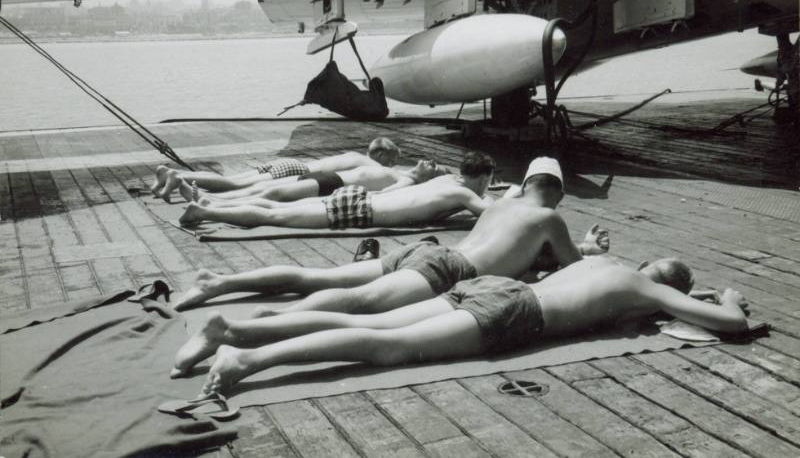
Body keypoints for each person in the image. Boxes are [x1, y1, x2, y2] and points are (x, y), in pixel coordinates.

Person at [171, 256, 750, 396]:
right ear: (669, 286)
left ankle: (238, 330)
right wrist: (729, 295)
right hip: (516, 313)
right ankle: (246, 360)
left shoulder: (607, 265)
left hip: (500, 286)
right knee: (387, 347)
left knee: (371, 317)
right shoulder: (647, 292)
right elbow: (732, 325)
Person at [172, 157, 609, 315]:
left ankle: (222, 282)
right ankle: (275, 321)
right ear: (558, 194)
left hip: (425, 253)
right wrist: (587, 248)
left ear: (527, 181)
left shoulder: (501, 205)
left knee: (322, 275)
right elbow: (575, 267)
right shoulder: (548, 219)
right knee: (358, 301)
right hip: (448, 267)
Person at [177, 151, 496, 231]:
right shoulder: (465, 194)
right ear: (483, 179)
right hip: (361, 210)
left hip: (359, 198)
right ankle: (206, 210)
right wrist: (505, 196)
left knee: (276, 208)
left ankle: (209, 204)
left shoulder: (445, 182)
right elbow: (489, 212)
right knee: (277, 217)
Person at [151, 137, 400, 202]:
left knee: (231, 179)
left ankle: (174, 175)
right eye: (390, 160)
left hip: (286, 165)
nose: (389, 166)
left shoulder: (353, 154)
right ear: (378, 154)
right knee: (235, 185)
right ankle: (178, 179)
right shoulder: (371, 163)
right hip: (294, 170)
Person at [195, 158, 447, 209]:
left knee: (274, 194)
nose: (429, 161)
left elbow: (386, 194)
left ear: (428, 178)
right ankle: (213, 200)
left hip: (332, 184)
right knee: (262, 190)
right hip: (326, 178)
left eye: (434, 166)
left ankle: (213, 203)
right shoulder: (398, 170)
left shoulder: (407, 181)